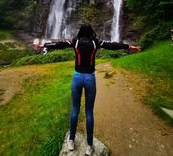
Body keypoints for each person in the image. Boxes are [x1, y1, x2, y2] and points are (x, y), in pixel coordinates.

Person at [40, 24, 140, 156]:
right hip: (90, 79)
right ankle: (89, 146)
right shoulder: (95, 42)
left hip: (77, 78)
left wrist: (44, 45)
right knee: (89, 112)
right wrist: (128, 47)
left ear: (80, 31)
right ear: (91, 32)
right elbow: (112, 45)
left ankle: (71, 140)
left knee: (75, 109)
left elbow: (60, 44)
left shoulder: (75, 42)